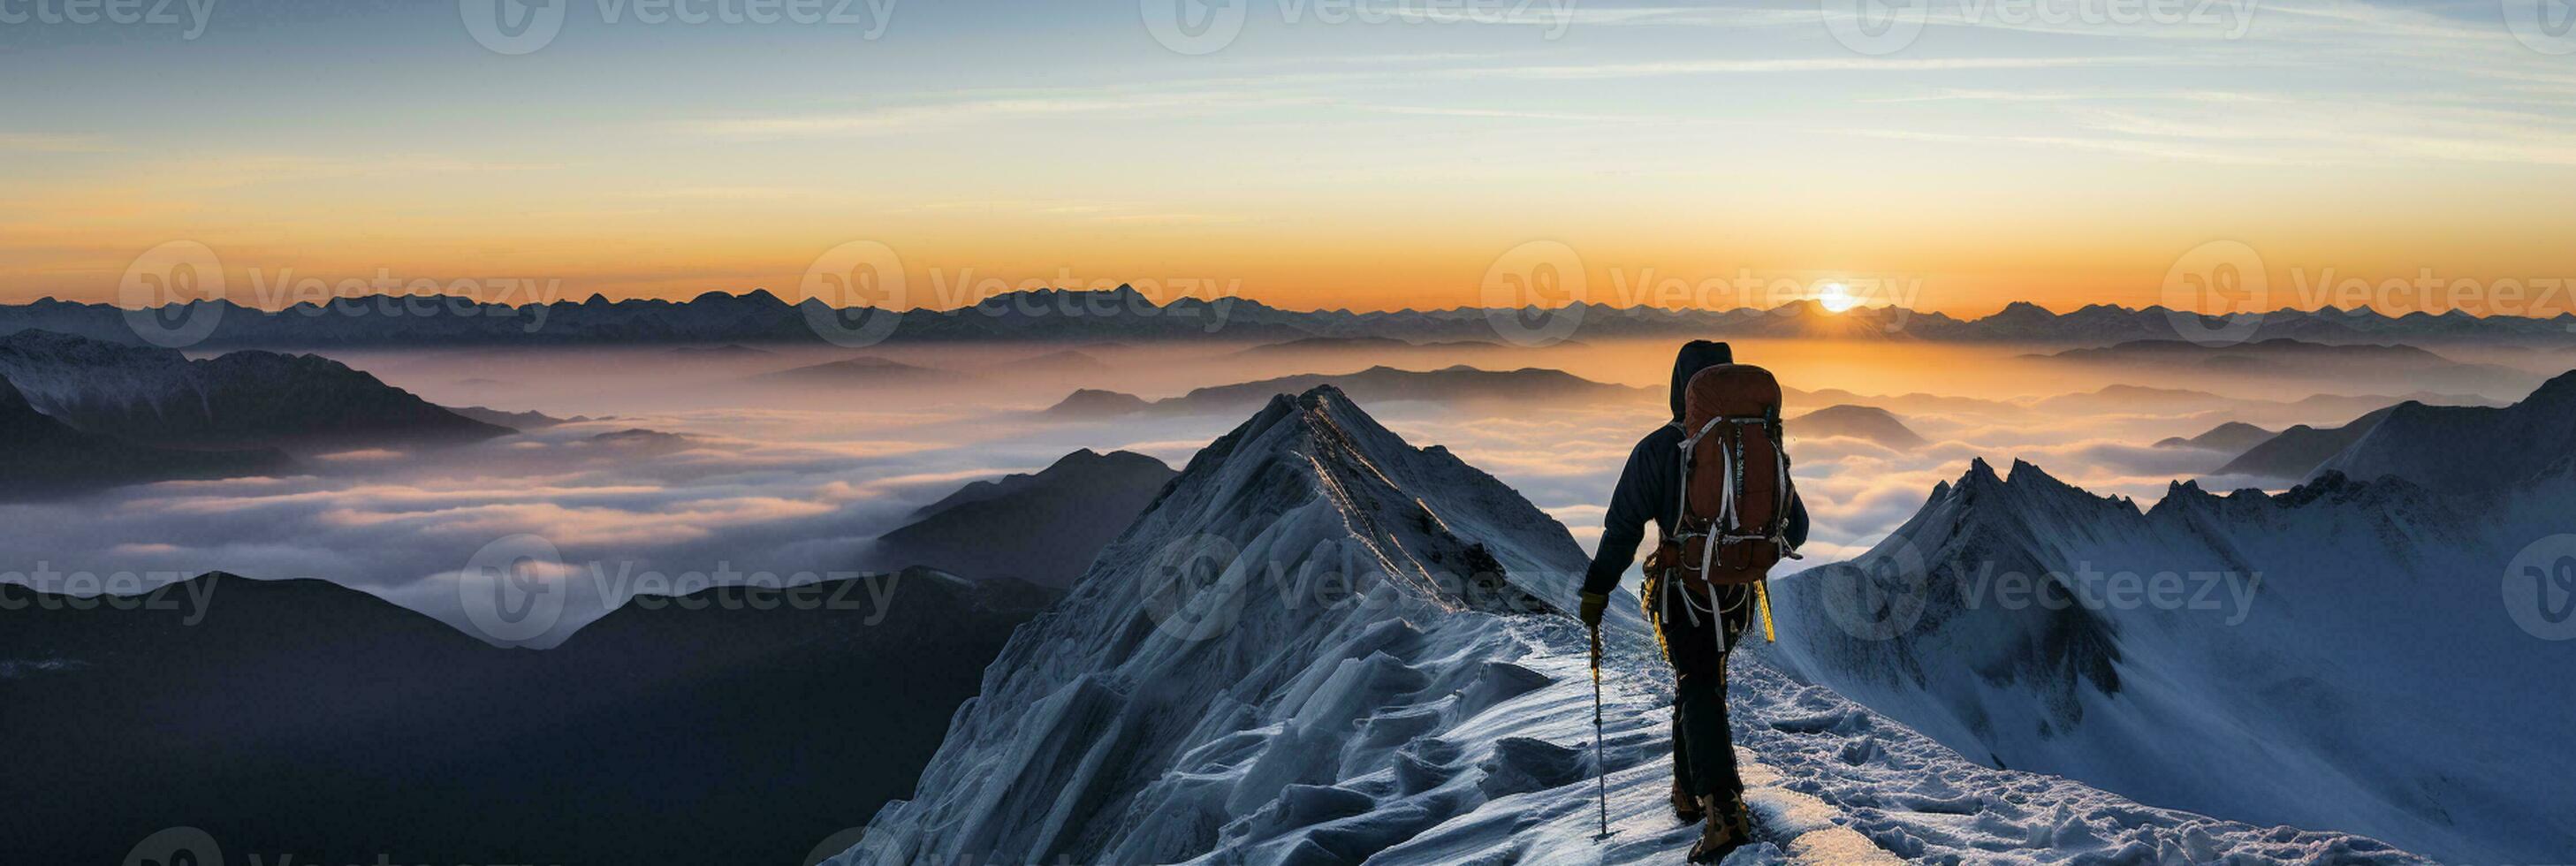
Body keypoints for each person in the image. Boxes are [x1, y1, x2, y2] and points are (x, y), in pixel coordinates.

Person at [1576, 340, 1809, 863]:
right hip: (1736, 594)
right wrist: (1745, 548)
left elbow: (1621, 531)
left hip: (1683, 592)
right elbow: (1798, 525)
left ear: (1680, 386)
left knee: (1696, 683)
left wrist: (1596, 590)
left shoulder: (1659, 448)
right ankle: (1689, 790)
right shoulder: (1756, 443)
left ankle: (1722, 812)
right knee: (1704, 681)